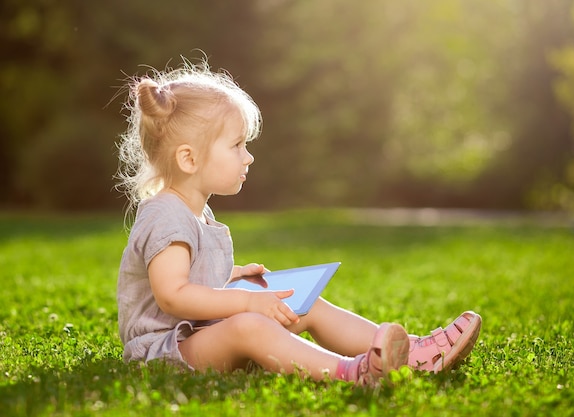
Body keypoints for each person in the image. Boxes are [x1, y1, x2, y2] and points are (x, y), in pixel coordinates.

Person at [116, 59, 482, 386]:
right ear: (189, 159)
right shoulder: (165, 214)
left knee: (305, 305)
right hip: (165, 353)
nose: (249, 156)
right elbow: (172, 295)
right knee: (250, 324)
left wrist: (232, 277)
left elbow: (190, 280)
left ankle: (416, 354)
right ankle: (352, 373)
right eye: (237, 145)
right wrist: (244, 303)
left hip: (200, 336)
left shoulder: (197, 212)